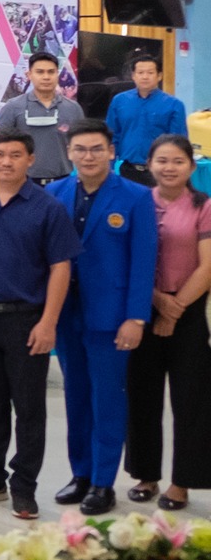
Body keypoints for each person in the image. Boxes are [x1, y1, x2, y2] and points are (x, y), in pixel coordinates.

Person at [0, 129, 80, 519]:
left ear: (30, 160)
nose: (6, 161)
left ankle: (23, 485)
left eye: (15, 154)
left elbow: (61, 268)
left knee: (29, 408)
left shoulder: (47, 207)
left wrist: (49, 322)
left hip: (28, 320)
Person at [45, 122, 156, 514]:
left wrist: (136, 318)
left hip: (111, 316)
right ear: (70, 152)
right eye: (80, 150)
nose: (88, 157)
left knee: (107, 398)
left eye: (96, 149)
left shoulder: (136, 197)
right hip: (66, 313)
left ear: (112, 152)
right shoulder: (55, 193)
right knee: (75, 396)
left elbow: (144, 262)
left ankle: (104, 483)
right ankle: (81, 474)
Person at [125, 134, 211, 511]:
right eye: (162, 160)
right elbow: (129, 260)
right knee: (142, 397)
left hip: (189, 311)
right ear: (150, 164)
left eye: (178, 161)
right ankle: (147, 475)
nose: (169, 168)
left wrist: (174, 309)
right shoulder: (139, 202)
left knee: (190, 399)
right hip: (143, 309)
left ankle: (182, 482)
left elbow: (208, 266)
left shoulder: (203, 205)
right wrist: (156, 303)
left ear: (191, 167)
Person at [0, 52, 84, 186]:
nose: (46, 77)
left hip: (63, 182)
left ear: (57, 74)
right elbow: (1, 146)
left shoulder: (73, 108)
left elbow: (82, 145)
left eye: (51, 72)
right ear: (29, 75)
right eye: (40, 72)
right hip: (23, 184)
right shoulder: (13, 107)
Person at [106, 55, 188, 186]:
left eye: (150, 72)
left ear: (159, 76)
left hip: (160, 173)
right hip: (128, 170)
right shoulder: (119, 101)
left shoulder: (174, 105)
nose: (145, 77)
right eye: (140, 72)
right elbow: (111, 136)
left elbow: (178, 143)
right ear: (133, 75)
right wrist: (108, 167)